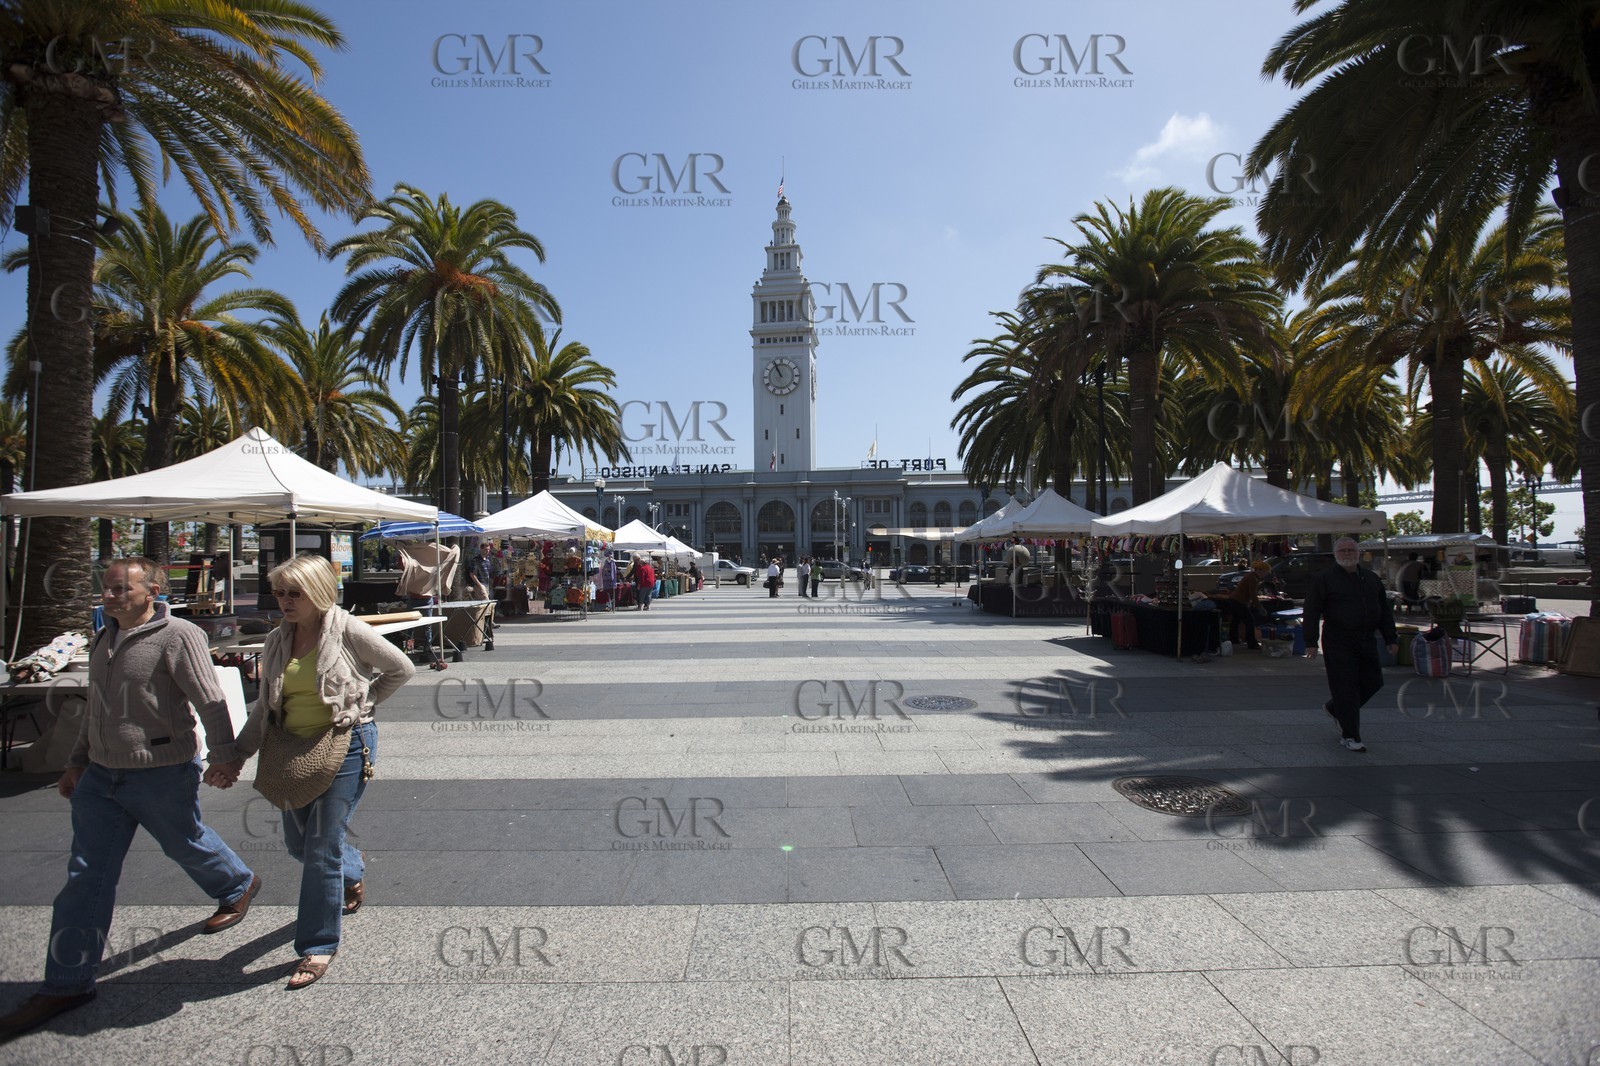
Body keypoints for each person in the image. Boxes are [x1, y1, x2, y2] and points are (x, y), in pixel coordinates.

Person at [0, 558, 259, 1042]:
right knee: (85, 878)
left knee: (185, 842)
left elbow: (209, 700)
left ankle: (237, 883)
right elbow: (97, 705)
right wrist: (77, 760)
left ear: (152, 591)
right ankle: (67, 983)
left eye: (122, 589)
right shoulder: (104, 637)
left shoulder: (178, 635)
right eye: (107, 589)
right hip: (101, 776)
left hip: (161, 772)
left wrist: (226, 758)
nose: (112, 596)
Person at [211, 553, 414, 990]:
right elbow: (265, 708)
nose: (284, 600)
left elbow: (402, 667)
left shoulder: (348, 630)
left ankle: (317, 945)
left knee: (321, 849)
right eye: (280, 592)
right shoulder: (277, 639)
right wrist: (235, 755)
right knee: (301, 845)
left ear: (319, 592)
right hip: (291, 749)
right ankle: (353, 872)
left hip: (346, 745)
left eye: (294, 593)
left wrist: (363, 703)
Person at [1303, 538, 1398, 754]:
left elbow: (1383, 611)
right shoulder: (1324, 579)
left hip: (1366, 638)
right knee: (1345, 686)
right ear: (1336, 554)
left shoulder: (1371, 579)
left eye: (1351, 550)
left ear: (1358, 553)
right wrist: (1310, 641)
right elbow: (1311, 611)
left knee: (1374, 681)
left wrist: (1391, 638)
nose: (1347, 554)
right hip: (1338, 639)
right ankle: (1350, 735)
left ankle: (1335, 708)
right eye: (1343, 550)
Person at [1211, 560, 1267, 650]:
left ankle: (1233, 638)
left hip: (1236, 600)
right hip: (1240, 602)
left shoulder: (1251, 576)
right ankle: (1252, 643)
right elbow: (1252, 594)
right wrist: (1259, 606)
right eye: (1265, 572)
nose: (1265, 574)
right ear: (1260, 570)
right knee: (1249, 621)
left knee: (1236, 620)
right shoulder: (1253, 578)